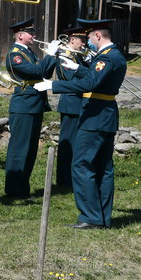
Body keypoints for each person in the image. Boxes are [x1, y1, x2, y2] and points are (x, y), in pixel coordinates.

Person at [35, 19, 126, 229]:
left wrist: (53, 85)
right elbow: (97, 78)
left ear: (97, 36)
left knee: (82, 164)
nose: (88, 43)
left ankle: (90, 217)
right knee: (103, 168)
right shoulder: (114, 55)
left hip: (94, 116)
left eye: (89, 38)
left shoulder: (106, 57)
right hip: (105, 115)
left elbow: (91, 83)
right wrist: (78, 68)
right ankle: (102, 217)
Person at [4, 17, 59, 198]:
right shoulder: (15, 55)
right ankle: (13, 189)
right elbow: (37, 72)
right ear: (20, 35)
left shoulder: (30, 53)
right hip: (24, 106)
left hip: (35, 105)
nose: (34, 35)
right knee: (19, 149)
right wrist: (50, 56)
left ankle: (22, 187)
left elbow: (45, 72)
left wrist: (52, 57)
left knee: (30, 150)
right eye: (31, 33)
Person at [52, 27, 89, 188]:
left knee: (76, 143)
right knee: (68, 143)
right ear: (72, 39)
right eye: (82, 41)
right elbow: (73, 81)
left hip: (78, 103)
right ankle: (64, 179)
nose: (84, 44)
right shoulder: (65, 56)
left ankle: (72, 176)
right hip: (70, 103)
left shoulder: (76, 56)